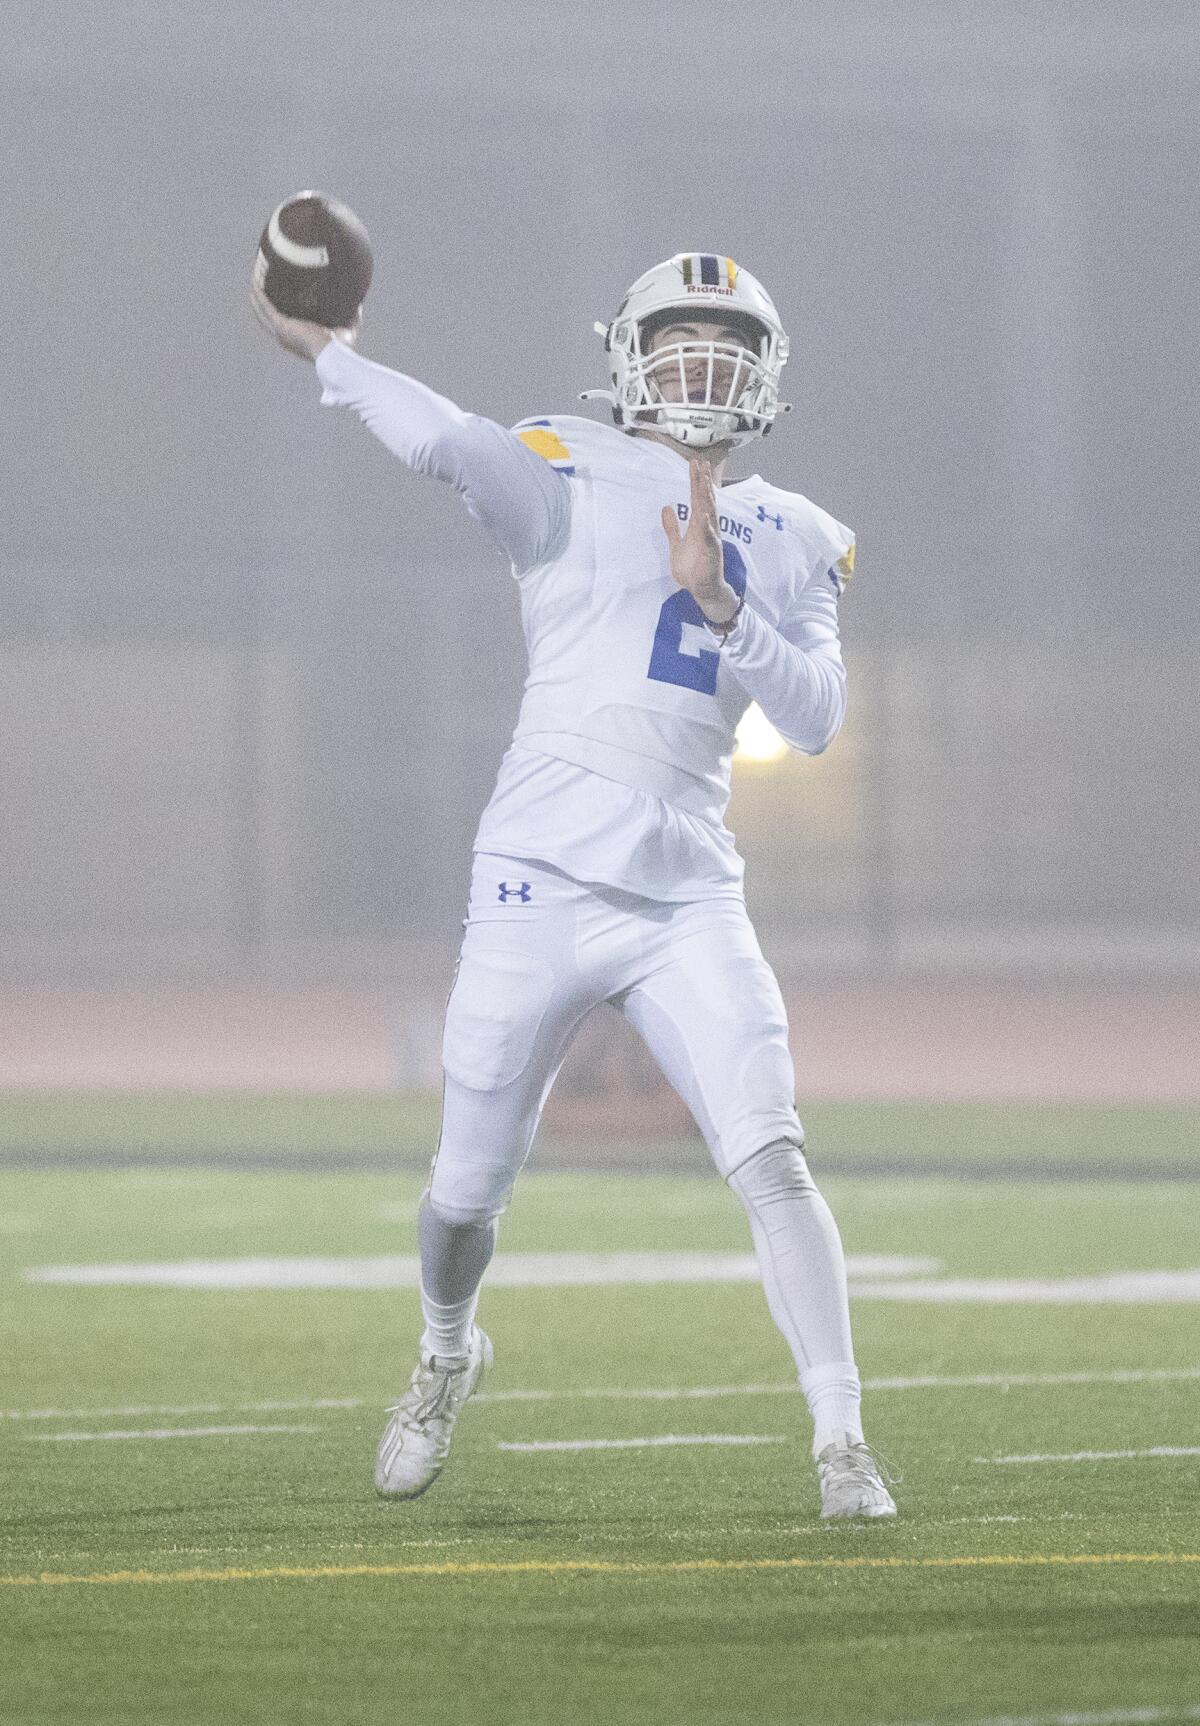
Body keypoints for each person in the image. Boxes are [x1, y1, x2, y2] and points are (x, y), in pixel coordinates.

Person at [252, 250, 896, 1520]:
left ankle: (843, 1440)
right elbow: (443, 437)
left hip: (687, 894)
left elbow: (816, 716)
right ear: (628, 360)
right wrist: (331, 354)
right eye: (677, 344)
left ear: (767, 376)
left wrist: (723, 603)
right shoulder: (566, 465)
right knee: (461, 1191)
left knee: (773, 1157)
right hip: (539, 875)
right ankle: (447, 1348)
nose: (700, 369)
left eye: (726, 348)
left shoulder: (800, 529)